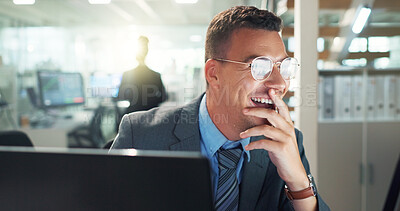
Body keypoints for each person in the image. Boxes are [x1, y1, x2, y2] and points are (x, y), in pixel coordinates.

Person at [111, 6, 330, 211]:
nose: (280, 84)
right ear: (213, 74)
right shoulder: (140, 135)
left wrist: (299, 183)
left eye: (283, 67)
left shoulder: (286, 143)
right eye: (259, 67)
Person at [117, 36, 167, 115]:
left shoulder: (127, 75)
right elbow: (164, 97)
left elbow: (120, 96)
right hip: (151, 116)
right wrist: (152, 101)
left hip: (133, 115)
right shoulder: (155, 75)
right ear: (147, 51)